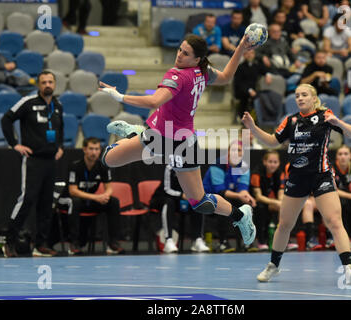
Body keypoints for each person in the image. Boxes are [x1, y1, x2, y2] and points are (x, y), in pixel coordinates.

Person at [99, 34, 257, 254]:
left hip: (180, 142)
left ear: (197, 59)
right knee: (107, 160)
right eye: (180, 49)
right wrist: (241, 46)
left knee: (200, 203)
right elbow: (227, 77)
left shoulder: (179, 75)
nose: (179, 55)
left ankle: (241, 215)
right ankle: (134, 133)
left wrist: (120, 97)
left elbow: (154, 101)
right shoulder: (203, 70)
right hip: (162, 137)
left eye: (185, 53)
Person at [242, 83, 351, 285]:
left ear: (313, 98)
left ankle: (348, 268)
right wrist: (253, 128)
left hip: (321, 176)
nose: (299, 98)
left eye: (304, 95)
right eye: (297, 95)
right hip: (297, 178)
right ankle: (273, 265)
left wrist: (338, 122)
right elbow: (273, 141)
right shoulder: (291, 121)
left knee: (334, 221)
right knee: (285, 225)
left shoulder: (326, 116)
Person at [1, 70, 64, 258]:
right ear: (38, 85)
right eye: (44, 82)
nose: (47, 85)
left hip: (51, 161)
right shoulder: (28, 102)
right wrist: (14, 144)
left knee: (46, 204)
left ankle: (41, 244)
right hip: (33, 160)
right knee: (27, 200)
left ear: (55, 84)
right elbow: (6, 119)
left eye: (50, 82)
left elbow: (60, 128)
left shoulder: (58, 105)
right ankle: (9, 242)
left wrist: (59, 146)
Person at [57, 137, 125, 255]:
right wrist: (96, 198)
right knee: (75, 202)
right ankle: (74, 244)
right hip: (68, 200)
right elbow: (73, 191)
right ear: (84, 149)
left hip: (89, 200)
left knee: (113, 202)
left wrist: (105, 196)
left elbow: (109, 188)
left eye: (97, 149)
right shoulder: (75, 166)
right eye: (91, 149)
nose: (94, 152)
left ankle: (113, 243)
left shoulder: (103, 166)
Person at [203, 140, 256, 252]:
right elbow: (220, 191)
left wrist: (248, 197)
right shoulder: (218, 164)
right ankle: (223, 242)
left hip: (232, 196)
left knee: (248, 204)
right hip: (209, 198)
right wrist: (240, 196)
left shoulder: (244, 166)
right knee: (224, 202)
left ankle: (247, 242)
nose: (236, 153)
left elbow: (243, 189)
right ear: (228, 152)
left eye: (239, 150)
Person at [150, 164, 210, 254]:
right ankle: (169, 240)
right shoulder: (170, 168)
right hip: (165, 197)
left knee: (198, 203)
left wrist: (193, 196)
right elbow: (167, 190)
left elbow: (197, 187)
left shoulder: (193, 168)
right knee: (169, 203)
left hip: (184, 199)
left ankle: (197, 240)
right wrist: (182, 195)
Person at [250, 150, 283, 251]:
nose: (273, 165)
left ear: (279, 163)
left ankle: (284, 239)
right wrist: (275, 202)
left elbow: (281, 193)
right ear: (264, 162)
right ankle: (261, 241)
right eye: (270, 161)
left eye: (275, 162)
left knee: (285, 207)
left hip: (271, 201)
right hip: (256, 201)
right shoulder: (256, 173)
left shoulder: (279, 173)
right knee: (261, 207)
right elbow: (258, 197)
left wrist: (281, 203)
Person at [233, 49, 270, 119]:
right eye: (247, 53)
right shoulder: (240, 67)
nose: (249, 55)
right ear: (244, 55)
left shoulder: (256, 65)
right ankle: (243, 118)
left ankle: (259, 118)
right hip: (242, 90)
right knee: (245, 99)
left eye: (252, 53)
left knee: (262, 96)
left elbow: (265, 70)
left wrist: (267, 75)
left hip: (254, 89)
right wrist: (249, 90)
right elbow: (239, 83)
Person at [0, 32, 18, 100]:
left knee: (14, 94)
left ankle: (33, 82)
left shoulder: (0, 55)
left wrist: (12, 65)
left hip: (0, 83)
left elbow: (11, 66)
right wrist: (4, 66)